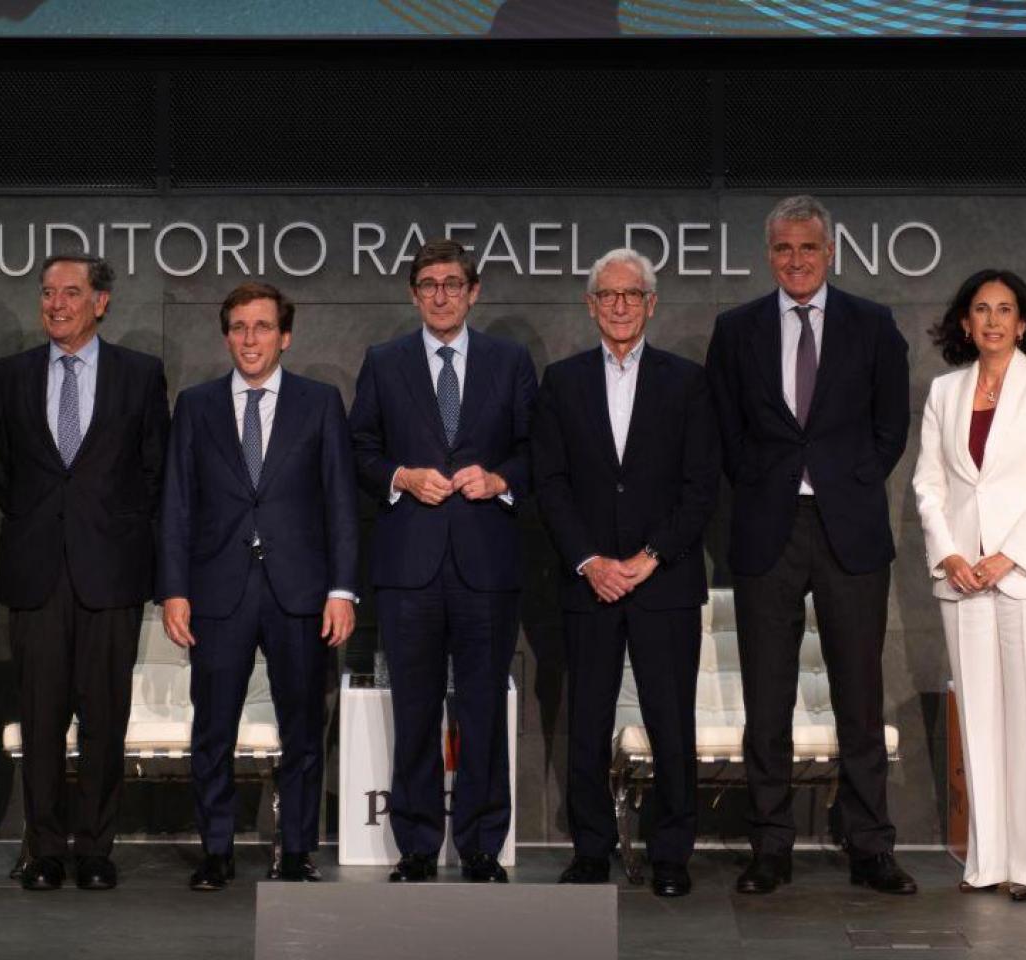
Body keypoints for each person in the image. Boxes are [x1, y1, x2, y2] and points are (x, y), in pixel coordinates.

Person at [704, 195, 916, 895]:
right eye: (784, 249)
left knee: (859, 696)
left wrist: (846, 483)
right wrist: (768, 482)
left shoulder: (873, 324)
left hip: (848, 529)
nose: (797, 260)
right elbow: (724, 432)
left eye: (809, 249)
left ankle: (869, 847)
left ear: (830, 253)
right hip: (768, 528)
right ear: (770, 255)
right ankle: (769, 846)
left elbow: (891, 426)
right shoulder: (736, 330)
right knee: (767, 698)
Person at [347, 238, 537, 883]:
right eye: (428, 283)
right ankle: (418, 849)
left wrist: (500, 480)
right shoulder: (384, 361)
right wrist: (400, 475)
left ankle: (483, 846)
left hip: (487, 566)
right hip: (409, 571)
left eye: (452, 283)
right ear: (413, 292)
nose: (440, 294)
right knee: (417, 713)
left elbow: (536, 451)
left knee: (483, 711)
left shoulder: (510, 362)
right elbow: (360, 450)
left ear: (473, 291)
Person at [158, 282, 359, 891]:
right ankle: (216, 851)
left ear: (285, 336)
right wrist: (173, 589)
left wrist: (342, 590)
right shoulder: (195, 405)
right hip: (217, 592)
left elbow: (342, 503)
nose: (250, 339)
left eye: (263, 327)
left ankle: (296, 851)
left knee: (302, 729)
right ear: (227, 337)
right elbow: (176, 505)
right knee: (212, 730)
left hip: (300, 593)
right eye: (240, 327)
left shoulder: (320, 402)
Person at [533, 248, 718, 897]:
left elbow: (700, 488)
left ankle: (671, 853)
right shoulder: (561, 381)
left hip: (662, 580)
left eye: (630, 295)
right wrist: (590, 561)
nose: (618, 305)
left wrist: (645, 559)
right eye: (607, 295)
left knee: (670, 721)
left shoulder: (687, 381)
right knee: (586, 719)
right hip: (589, 583)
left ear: (651, 304)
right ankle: (591, 848)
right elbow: (550, 483)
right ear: (590, 305)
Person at [0, 254, 169, 892]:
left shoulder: (139, 375)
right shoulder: (9, 376)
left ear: (101, 302)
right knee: (39, 719)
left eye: (70, 292)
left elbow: (154, 470)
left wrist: (109, 532)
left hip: (110, 573)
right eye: (47, 293)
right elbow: (1, 471)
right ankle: (43, 850)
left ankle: (93, 849)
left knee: (103, 717)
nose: (56, 304)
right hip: (35, 571)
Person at [911, 269, 1026, 902]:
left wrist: (1006, 557)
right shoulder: (946, 391)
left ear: (1023, 322)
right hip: (961, 578)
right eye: (980, 309)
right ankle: (986, 863)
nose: (992, 320)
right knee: (978, 721)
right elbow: (929, 484)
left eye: (1005, 310)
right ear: (964, 322)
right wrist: (950, 555)